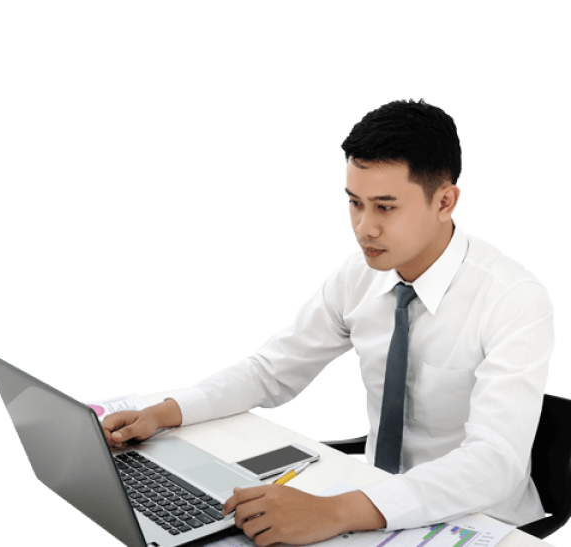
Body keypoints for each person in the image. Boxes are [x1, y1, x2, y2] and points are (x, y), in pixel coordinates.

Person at [101, 99, 556, 546]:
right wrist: (164, 413)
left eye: (385, 207)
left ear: (445, 201)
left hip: (478, 522)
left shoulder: (513, 298)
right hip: (369, 497)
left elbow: (495, 462)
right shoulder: (359, 275)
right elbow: (271, 371)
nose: (364, 227)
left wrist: (335, 512)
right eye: (354, 203)